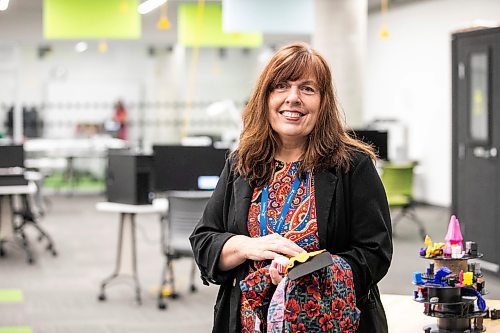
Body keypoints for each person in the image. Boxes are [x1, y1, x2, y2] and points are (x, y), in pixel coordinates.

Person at [190, 42, 392, 332]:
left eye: (307, 89)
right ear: (265, 97)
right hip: (249, 323)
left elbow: (375, 252)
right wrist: (248, 246)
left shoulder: (352, 165)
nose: (293, 98)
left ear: (323, 102)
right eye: (281, 86)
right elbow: (204, 241)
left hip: (328, 323)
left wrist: (308, 273)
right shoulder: (242, 163)